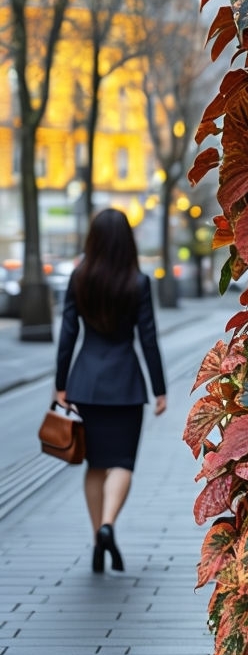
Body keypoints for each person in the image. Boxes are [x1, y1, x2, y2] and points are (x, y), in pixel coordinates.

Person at [55, 209, 167, 573]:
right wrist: (159, 388)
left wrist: (61, 384)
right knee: (122, 462)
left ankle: (97, 538)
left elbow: (68, 335)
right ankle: (108, 524)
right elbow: (147, 339)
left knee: (94, 464)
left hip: (85, 383)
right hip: (126, 385)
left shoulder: (78, 278)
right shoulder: (137, 282)